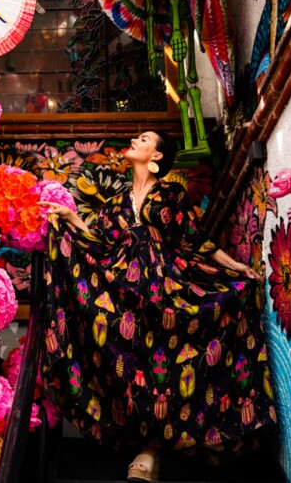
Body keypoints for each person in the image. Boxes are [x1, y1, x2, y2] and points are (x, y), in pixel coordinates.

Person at [39, 131, 275, 482]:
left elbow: (195, 240)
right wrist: (70, 219)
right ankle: (145, 446)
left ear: (157, 156)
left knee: (167, 359)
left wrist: (234, 267)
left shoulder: (170, 193)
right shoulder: (116, 201)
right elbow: (96, 241)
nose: (135, 139)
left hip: (164, 285)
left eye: (144, 138)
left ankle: (158, 449)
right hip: (122, 289)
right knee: (128, 359)